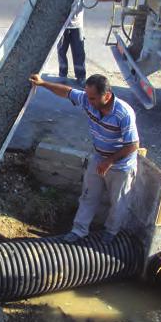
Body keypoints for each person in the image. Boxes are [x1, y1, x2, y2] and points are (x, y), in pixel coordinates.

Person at [29, 73, 139, 243]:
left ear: (107, 96)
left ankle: (111, 234)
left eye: (93, 98)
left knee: (118, 203)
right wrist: (43, 83)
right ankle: (79, 231)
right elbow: (67, 92)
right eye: (87, 96)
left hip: (120, 166)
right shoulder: (89, 100)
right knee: (88, 195)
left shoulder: (123, 113)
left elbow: (133, 145)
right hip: (99, 158)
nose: (88, 101)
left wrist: (109, 162)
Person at [58, 0, 120, 88]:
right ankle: (62, 76)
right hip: (61, 24)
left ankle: (81, 77)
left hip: (77, 25)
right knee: (61, 50)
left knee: (79, 52)